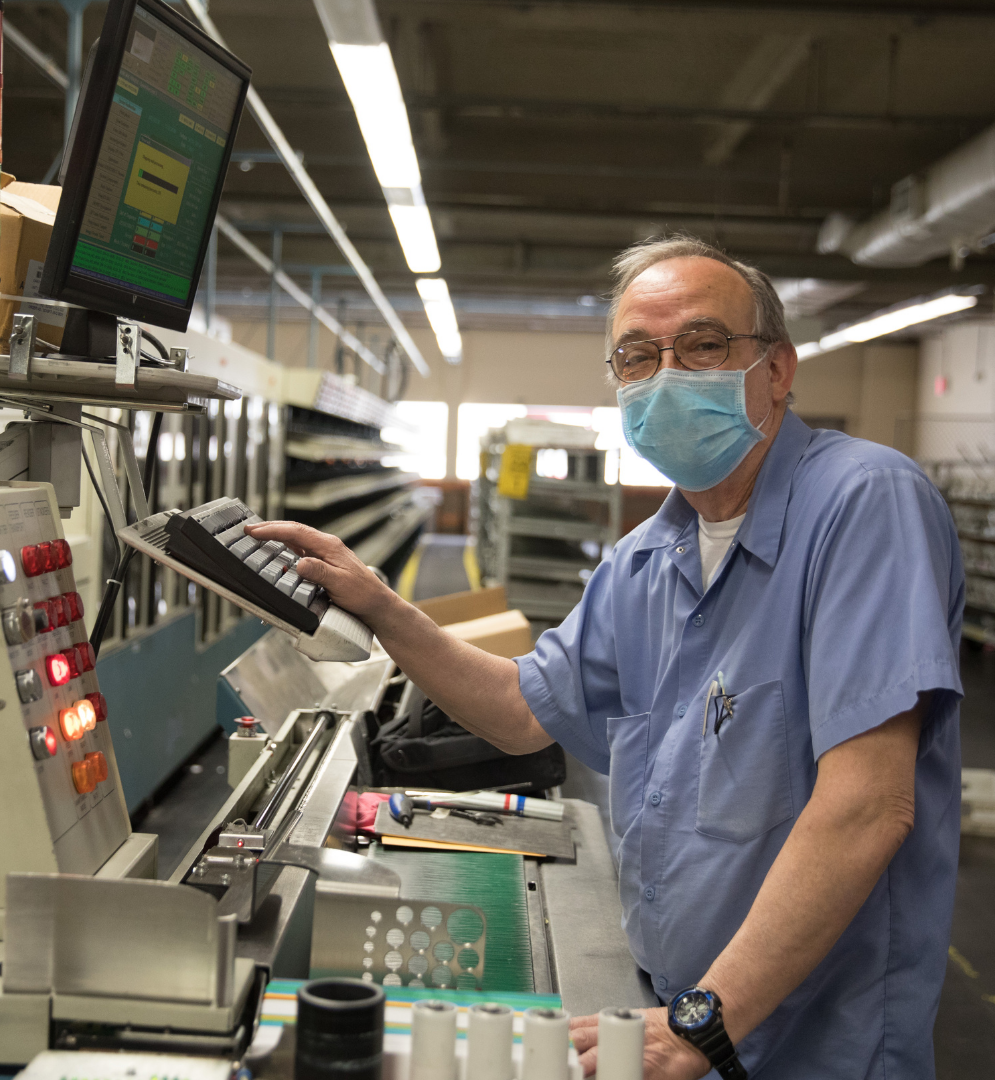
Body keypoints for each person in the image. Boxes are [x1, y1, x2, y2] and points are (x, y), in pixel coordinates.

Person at [246, 237, 963, 1080]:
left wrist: (705, 1023)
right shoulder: (645, 559)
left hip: (803, 1045)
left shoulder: (863, 504)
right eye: (636, 356)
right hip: (675, 1011)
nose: (665, 375)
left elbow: (867, 808)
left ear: (777, 370)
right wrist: (381, 608)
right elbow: (520, 710)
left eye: (701, 346)